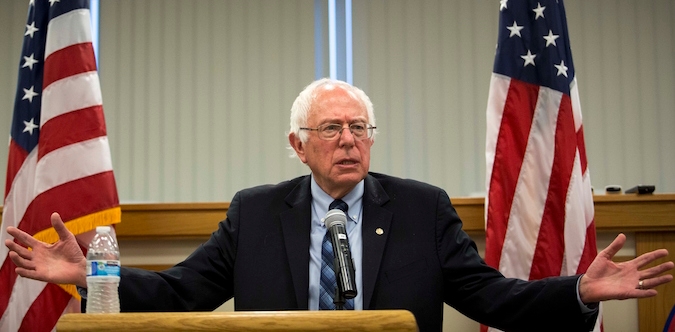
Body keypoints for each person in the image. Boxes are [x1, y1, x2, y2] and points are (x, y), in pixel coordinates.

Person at [5, 78, 674, 332]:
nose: (349, 140)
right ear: (298, 145)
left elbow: (489, 296)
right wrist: (90, 277)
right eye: (332, 129)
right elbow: (184, 293)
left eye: (360, 128)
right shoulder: (255, 212)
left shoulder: (420, 208)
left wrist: (578, 292)